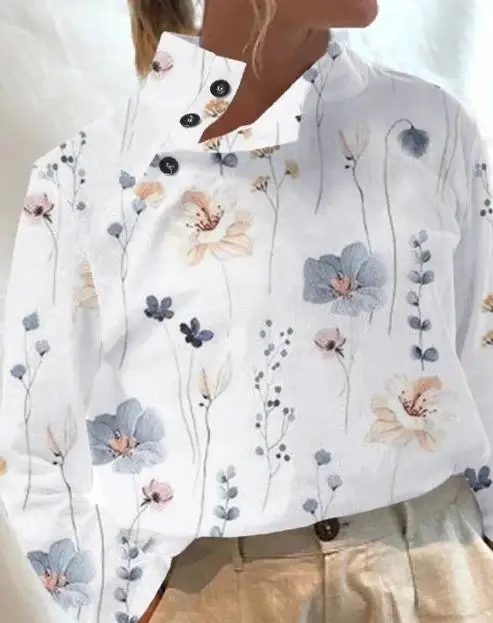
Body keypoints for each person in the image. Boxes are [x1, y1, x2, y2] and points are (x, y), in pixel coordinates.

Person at [1, 0, 493, 621]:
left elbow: (484, 354)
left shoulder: (431, 130)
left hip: (443, 572)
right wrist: (126, 604)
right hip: (217, 595)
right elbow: (35, 446)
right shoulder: (86, 180)